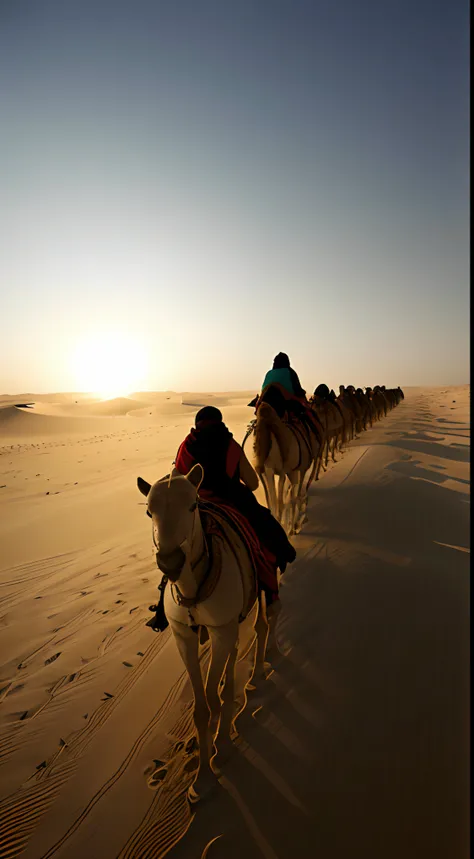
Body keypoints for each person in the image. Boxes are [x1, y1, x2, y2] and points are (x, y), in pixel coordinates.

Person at [174, 406, 296, 573]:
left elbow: (177, 479)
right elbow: (253, 484)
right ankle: (273, 574)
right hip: (230, 501)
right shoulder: (231, 444)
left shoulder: (187, 445)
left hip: (197, 503)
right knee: (265, 524)